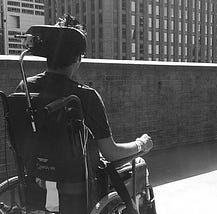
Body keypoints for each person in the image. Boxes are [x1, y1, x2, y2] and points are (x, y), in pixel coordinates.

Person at [15, 14, 153, 212]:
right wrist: (141, 144)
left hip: (35, 185)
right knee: (139, 167)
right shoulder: (85, 97)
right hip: (78, 192)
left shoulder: (24, 88)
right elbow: (111, 152)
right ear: (77, 58)